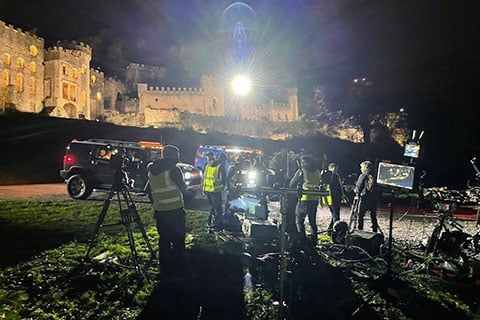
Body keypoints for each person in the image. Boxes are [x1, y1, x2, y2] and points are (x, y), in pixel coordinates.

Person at [147, 144, 187, 278]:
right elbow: (182, 187)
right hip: (175, 210)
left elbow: (149, 191)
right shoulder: (174, 170)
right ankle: (178, 266)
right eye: (177, 155)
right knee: (178, 239)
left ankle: (164, 266)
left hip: (160, 211)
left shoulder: (152, 170)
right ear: (172, 156)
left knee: (164, 239)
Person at [289, 154, 322, 249]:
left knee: (299, 219)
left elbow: (292, 183)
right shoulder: (317, 171)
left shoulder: (302, 171)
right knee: (312, 221)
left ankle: (302, 240)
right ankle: (314, 240)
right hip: (315, 199)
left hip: (304, 199)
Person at [202, 152, 227, 230]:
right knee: (218, 209)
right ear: (223, 159)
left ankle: (209, 222)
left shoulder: (208, 165)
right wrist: (223, 188)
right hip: (216, 190)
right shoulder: (221, 166)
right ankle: (217, 226)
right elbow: (223, 180)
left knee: (212, 207)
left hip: (207, 190)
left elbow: (204, 177)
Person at [354, 160, 379, 232]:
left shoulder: (363, 175)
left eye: (361, 167)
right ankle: (374, 230)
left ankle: (360, 230)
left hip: (365, 198)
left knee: (360, 215)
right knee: (373, 216)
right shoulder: (375, 175)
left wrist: (356, 192)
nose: (360, 169)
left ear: (365, 167)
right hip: (374, 199)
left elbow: (359, 186)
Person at [321, 162, 345, 235]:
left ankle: (330, 230)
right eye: (335, 168)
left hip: (336, 197)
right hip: (332, 198)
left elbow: (340, 186)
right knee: (336, 215)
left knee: (335, 214)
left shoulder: (336, 176)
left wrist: (343, 195)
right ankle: (336, 231)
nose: (336, 170)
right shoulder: (329, 176)